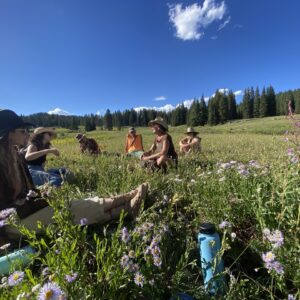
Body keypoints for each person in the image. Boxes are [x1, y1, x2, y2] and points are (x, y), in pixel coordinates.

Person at [0, 109, 148, 245]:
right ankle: (126, 206)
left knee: (69, 205)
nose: (27, 134)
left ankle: (126, 201)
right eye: (22, 131)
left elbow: (28, 191)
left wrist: (40, 196)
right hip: (11, 225)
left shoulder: (15, 156)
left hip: (26, 210)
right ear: (8, 134)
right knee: (67, 212)